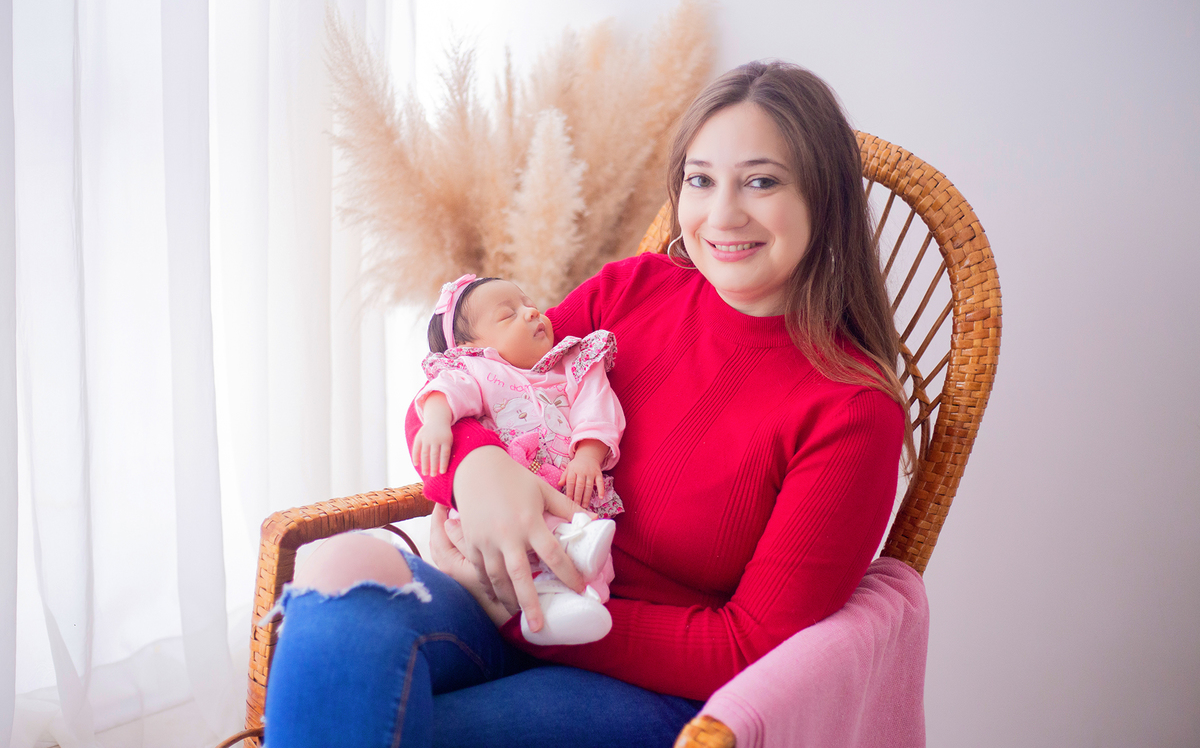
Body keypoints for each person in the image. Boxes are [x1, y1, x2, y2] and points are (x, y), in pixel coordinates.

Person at [262, 60, 908, 748]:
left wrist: (522, 617)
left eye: (761, 181)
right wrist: (478, 471)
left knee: (379, 730)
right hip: (506, 593)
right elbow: (456, 388)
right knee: (339, 573)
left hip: (649, 684)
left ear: (825, 196)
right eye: (700, 180)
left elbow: (751, 647)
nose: (722, 214)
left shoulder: (852, 410)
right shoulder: (631, 292)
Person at [411, 273, 625, 645]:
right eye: (508, 315)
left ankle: (584, 598)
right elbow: (447, 389)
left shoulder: (574, 363)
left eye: (528, 304)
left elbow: (598, 408)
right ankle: (547, 609)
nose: (531, 313)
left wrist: (589, 454)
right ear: (469, 347)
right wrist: (436, 422)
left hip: (567, 488)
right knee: (510, 555)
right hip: (503, 503)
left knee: (590, 544)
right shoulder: (479, 371)